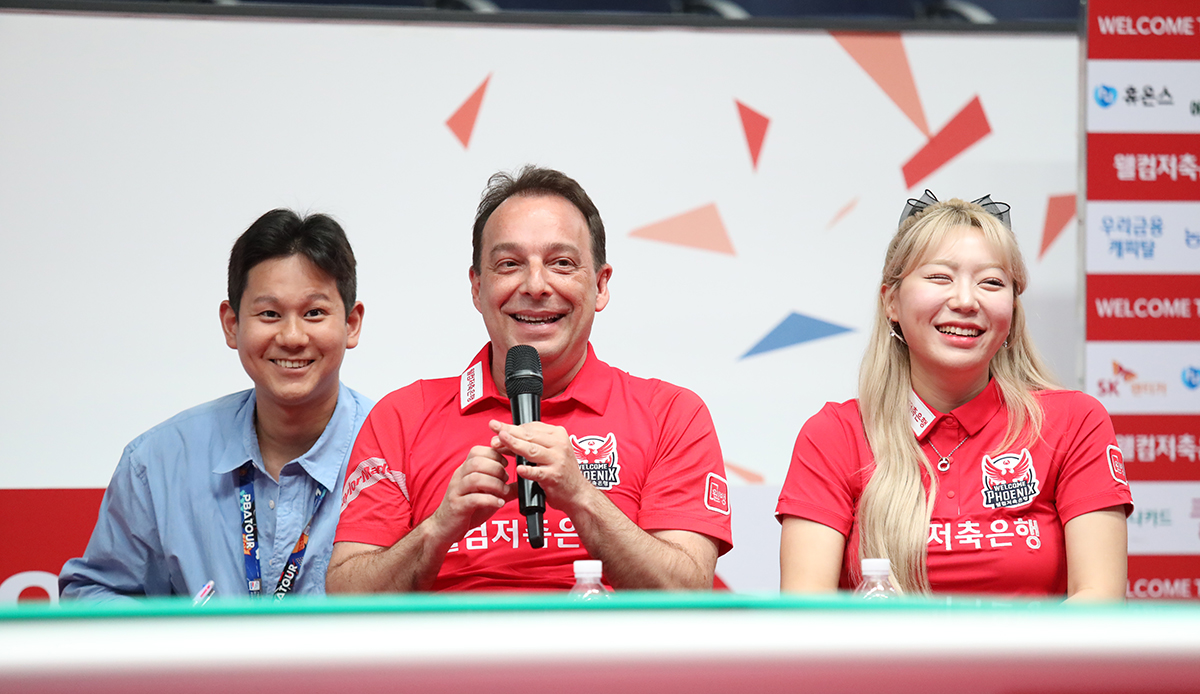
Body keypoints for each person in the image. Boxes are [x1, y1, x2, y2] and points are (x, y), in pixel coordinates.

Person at [327, 166, 732, 593]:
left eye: (561, 263)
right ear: (477, 287)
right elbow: (344, 595)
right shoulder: (403, 416)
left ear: (600, 285)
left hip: (605, 656)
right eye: (509, 264)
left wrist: (582, 497)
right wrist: (438, 528)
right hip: (454, 656)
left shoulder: (671, 414)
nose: (536, 285)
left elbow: (688, 592)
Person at [777, 191, 1131, 599]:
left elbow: (1099, 599)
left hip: (1034, 665)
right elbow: (809, 618)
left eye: (992, 283)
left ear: (1013, 310)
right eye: (939, 277)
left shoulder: (1074, 422)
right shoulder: (834, 434)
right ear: (891, 301)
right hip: (884, 665)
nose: (965, 301)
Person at [60, 210, 372, 601]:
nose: (292, 336)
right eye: (269, 314)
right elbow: (93, 592)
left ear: (352, 324)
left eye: (314, 313)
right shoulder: (158, 462)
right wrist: (187, 646)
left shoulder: (398, 455)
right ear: (231, 324)